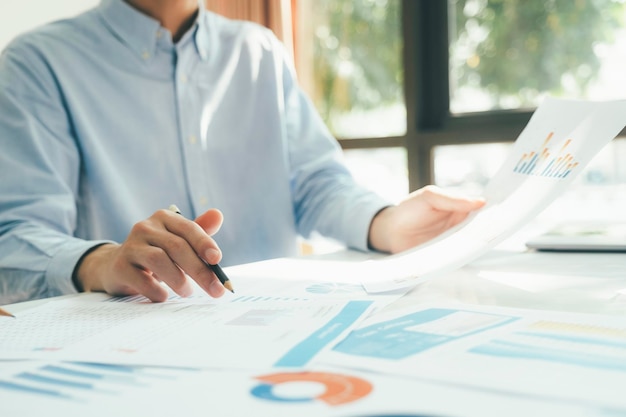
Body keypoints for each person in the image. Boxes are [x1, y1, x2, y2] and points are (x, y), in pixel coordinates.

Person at [0, 0, 485, 304]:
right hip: (132, 344)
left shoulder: (260, 51)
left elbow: (316, 183)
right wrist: (104, 262)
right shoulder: (37, 64)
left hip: (283, 327)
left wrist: (385, 223)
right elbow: (13, 239)